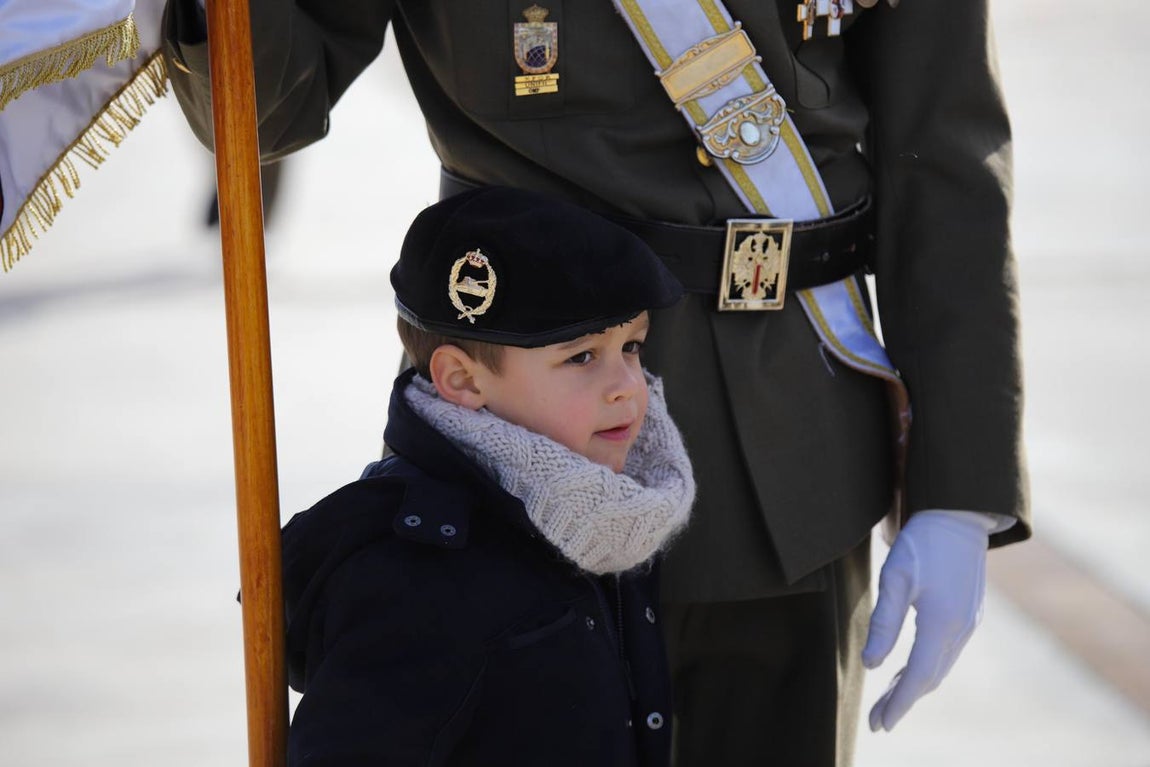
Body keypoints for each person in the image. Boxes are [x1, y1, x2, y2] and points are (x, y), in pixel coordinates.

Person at [162, 1, 1031, 763]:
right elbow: (264, 102)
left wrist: (960, 483)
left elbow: (943, 141)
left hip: (790, 459)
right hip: (518, 461)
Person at [280, 185, 695, 765]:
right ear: (465, 381)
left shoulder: (606, 512)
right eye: (581, 357)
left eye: (632, 346)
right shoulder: (414, 576)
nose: (627, 383)